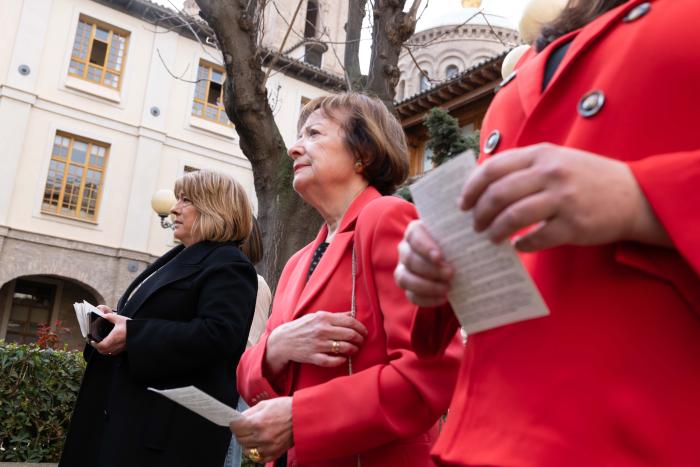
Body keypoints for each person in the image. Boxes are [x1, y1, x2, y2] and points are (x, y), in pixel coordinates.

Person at [395, 0, 700, 465]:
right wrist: (448, 265)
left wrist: (642, 197)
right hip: (488, 439)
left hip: (643, 436)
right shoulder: (541, 53)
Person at [232, 93, 461, 467]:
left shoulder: (387, 217)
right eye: (298, 136)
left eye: (314, 134)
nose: (294, 148)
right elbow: (247, 377)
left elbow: (430, 372)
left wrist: (300, 416)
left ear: (364, 154)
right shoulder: (297, 262)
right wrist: (277, 346)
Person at [59, 170, 258, 467]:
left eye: (186, 199)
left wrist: (134, 334)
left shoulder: (229, 264)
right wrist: (112, 322)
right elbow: (151, 319)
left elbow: (219, 336)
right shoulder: (176, 257)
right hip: (125, 419)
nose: (175, 208)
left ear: (215, 207)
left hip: (163, 438)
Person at [224, 218, 272, 467]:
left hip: (233, 380)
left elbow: (250, 341)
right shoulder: (253, 281)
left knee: (226, 450)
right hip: (235, 379)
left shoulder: (253, 282)